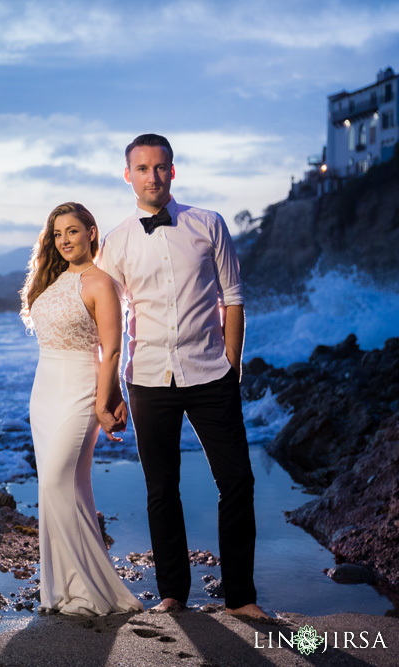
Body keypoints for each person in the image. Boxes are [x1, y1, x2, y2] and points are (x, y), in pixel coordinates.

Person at [97, 133, 268, 619]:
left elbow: (233, 298)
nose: (153, 176)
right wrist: (108, 394)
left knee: (237, 481)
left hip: (211, 373)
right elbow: (109, 327)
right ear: (127, 175)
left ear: (174, 171)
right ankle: (173, 591)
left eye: (161, 167)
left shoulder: (209, 224)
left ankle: (240, 597)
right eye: (143, 168)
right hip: (148, 378)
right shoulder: (116, 242)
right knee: (161, 487)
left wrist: (232, 366)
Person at [20, 202, 143, 615]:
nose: (64, 240)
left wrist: (107, 401)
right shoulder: (50, 281)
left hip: (80, 389)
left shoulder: (101, 283)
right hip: (44, 391)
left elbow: (112, 350)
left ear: (92, 232)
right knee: (67, 487)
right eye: (57, 234)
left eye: (72, 231)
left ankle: (88, 588)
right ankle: (64, 588)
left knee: (58, 481)